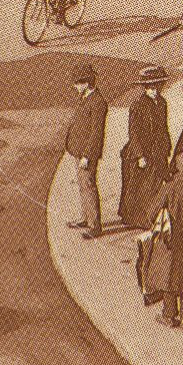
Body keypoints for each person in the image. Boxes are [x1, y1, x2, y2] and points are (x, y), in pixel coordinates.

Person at [139, 144, 183, 328]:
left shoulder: (170, 187)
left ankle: (169, 314)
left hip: (173, 241)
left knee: (171, 275)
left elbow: (152, 213)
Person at [118, 65, 171, 230]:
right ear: (146, 88)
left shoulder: (162, 103)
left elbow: (163, 127)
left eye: (157, 87)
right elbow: (133, 133)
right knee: (137, 188)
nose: (155, 90)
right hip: (140, 152)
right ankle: (135, 218)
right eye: (151, 87)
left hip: (157, 150)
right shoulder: (137, 105)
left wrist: (166, 145)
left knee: (152, 186)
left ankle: (146, 217)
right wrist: (140, 156)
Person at [63, 64, 108, 240]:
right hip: (79, 151)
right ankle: (86, 217)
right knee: (83, 186)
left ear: (87, 83)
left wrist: (87, 156)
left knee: (88, 186)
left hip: (86, 154)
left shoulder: (98, 102)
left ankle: (95, 226)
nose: (75, 87)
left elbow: (97, 133)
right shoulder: (86, 97)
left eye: (78, 83)